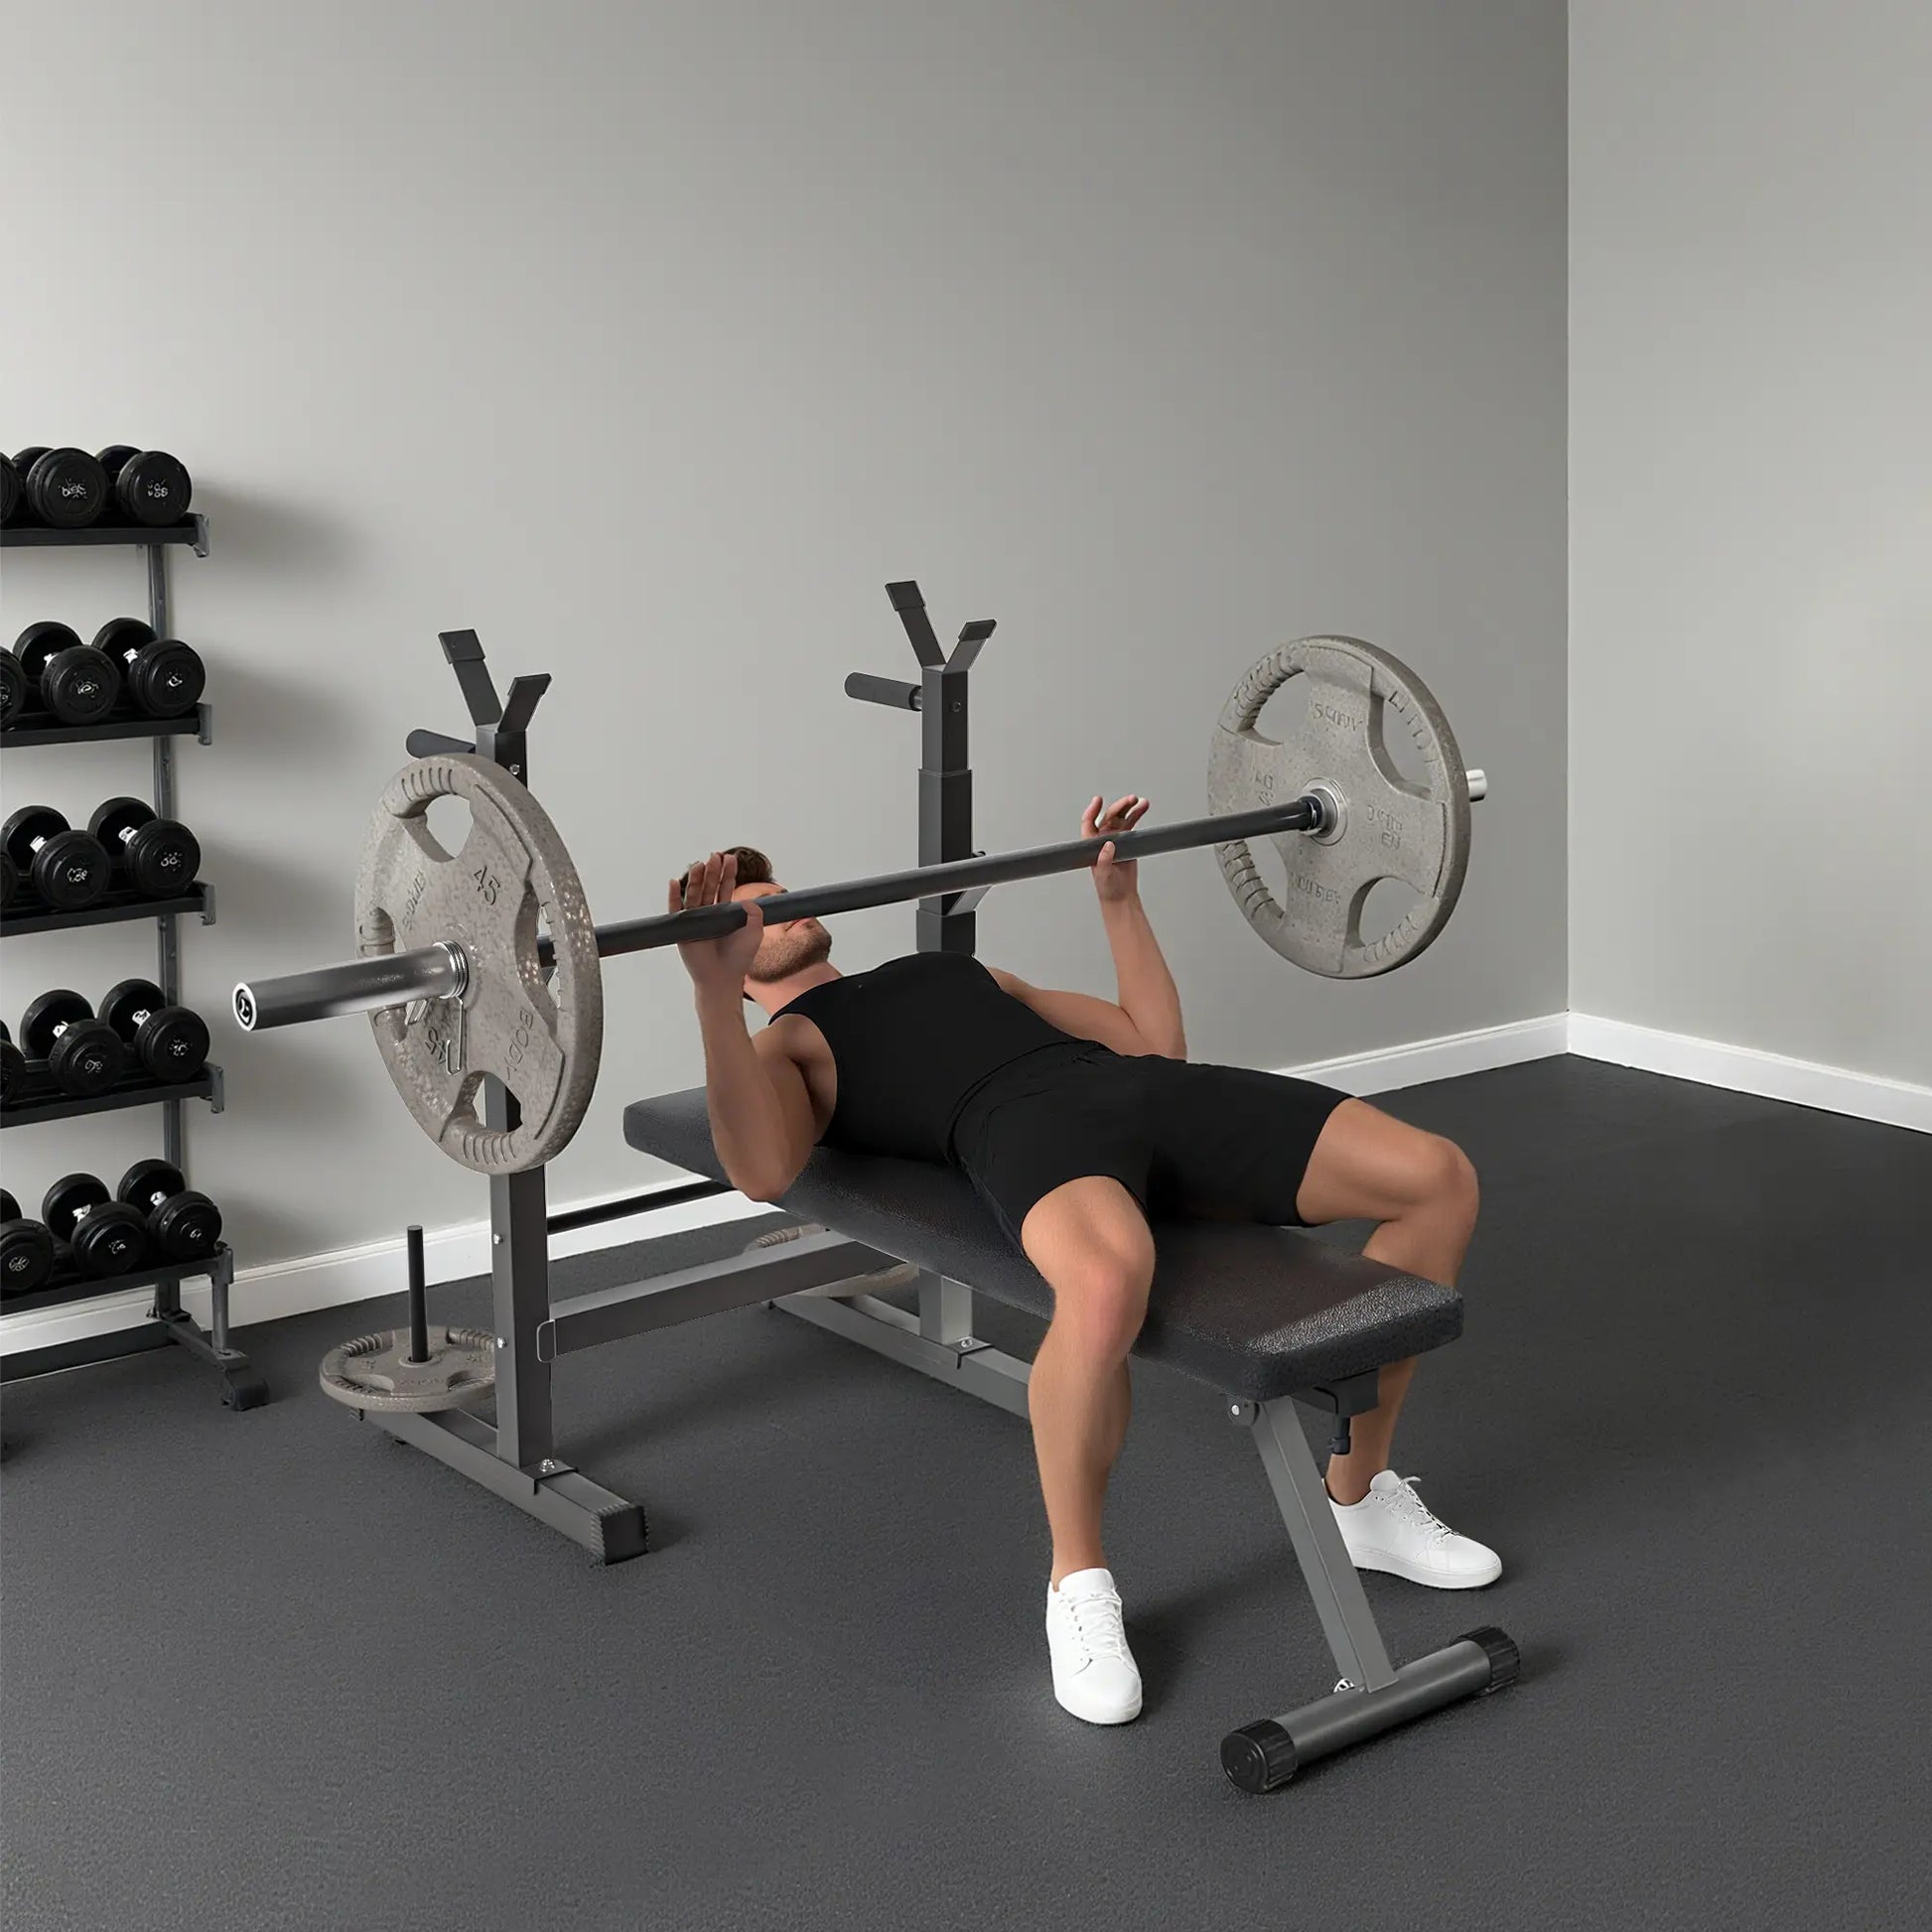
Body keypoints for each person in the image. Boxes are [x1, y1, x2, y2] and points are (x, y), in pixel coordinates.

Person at [672, 796, 1499, 1726]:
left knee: (1437, 1176)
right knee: (1105, 1285)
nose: (770, 914)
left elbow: (1152, 1038)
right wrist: (711, 992)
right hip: (1014, 1128)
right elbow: (762, 1169)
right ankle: (1078, 1584)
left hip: (1142, 1091)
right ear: (737, 967)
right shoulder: (783, 1045)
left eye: (777, 896)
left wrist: (1116, 899)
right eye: (746, 918)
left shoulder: (948, 968)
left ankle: (1359, 1494)